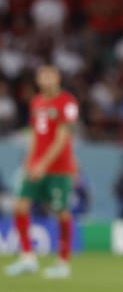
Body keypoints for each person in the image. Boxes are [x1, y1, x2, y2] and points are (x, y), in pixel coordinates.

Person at [4, 65, 79, 279]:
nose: (46, 79)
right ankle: (28, 258)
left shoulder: (68, 102)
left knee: (61, 212)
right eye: (42, 75)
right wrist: (28, 164)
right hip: (36, 166)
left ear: (57, 78)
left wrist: (43, 164)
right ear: (38, 80)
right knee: (20, 206)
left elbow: (63, 138)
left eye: (50, 75)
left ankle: (63, 263)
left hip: (60, 169)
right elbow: (35, 137)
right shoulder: (36, 102)